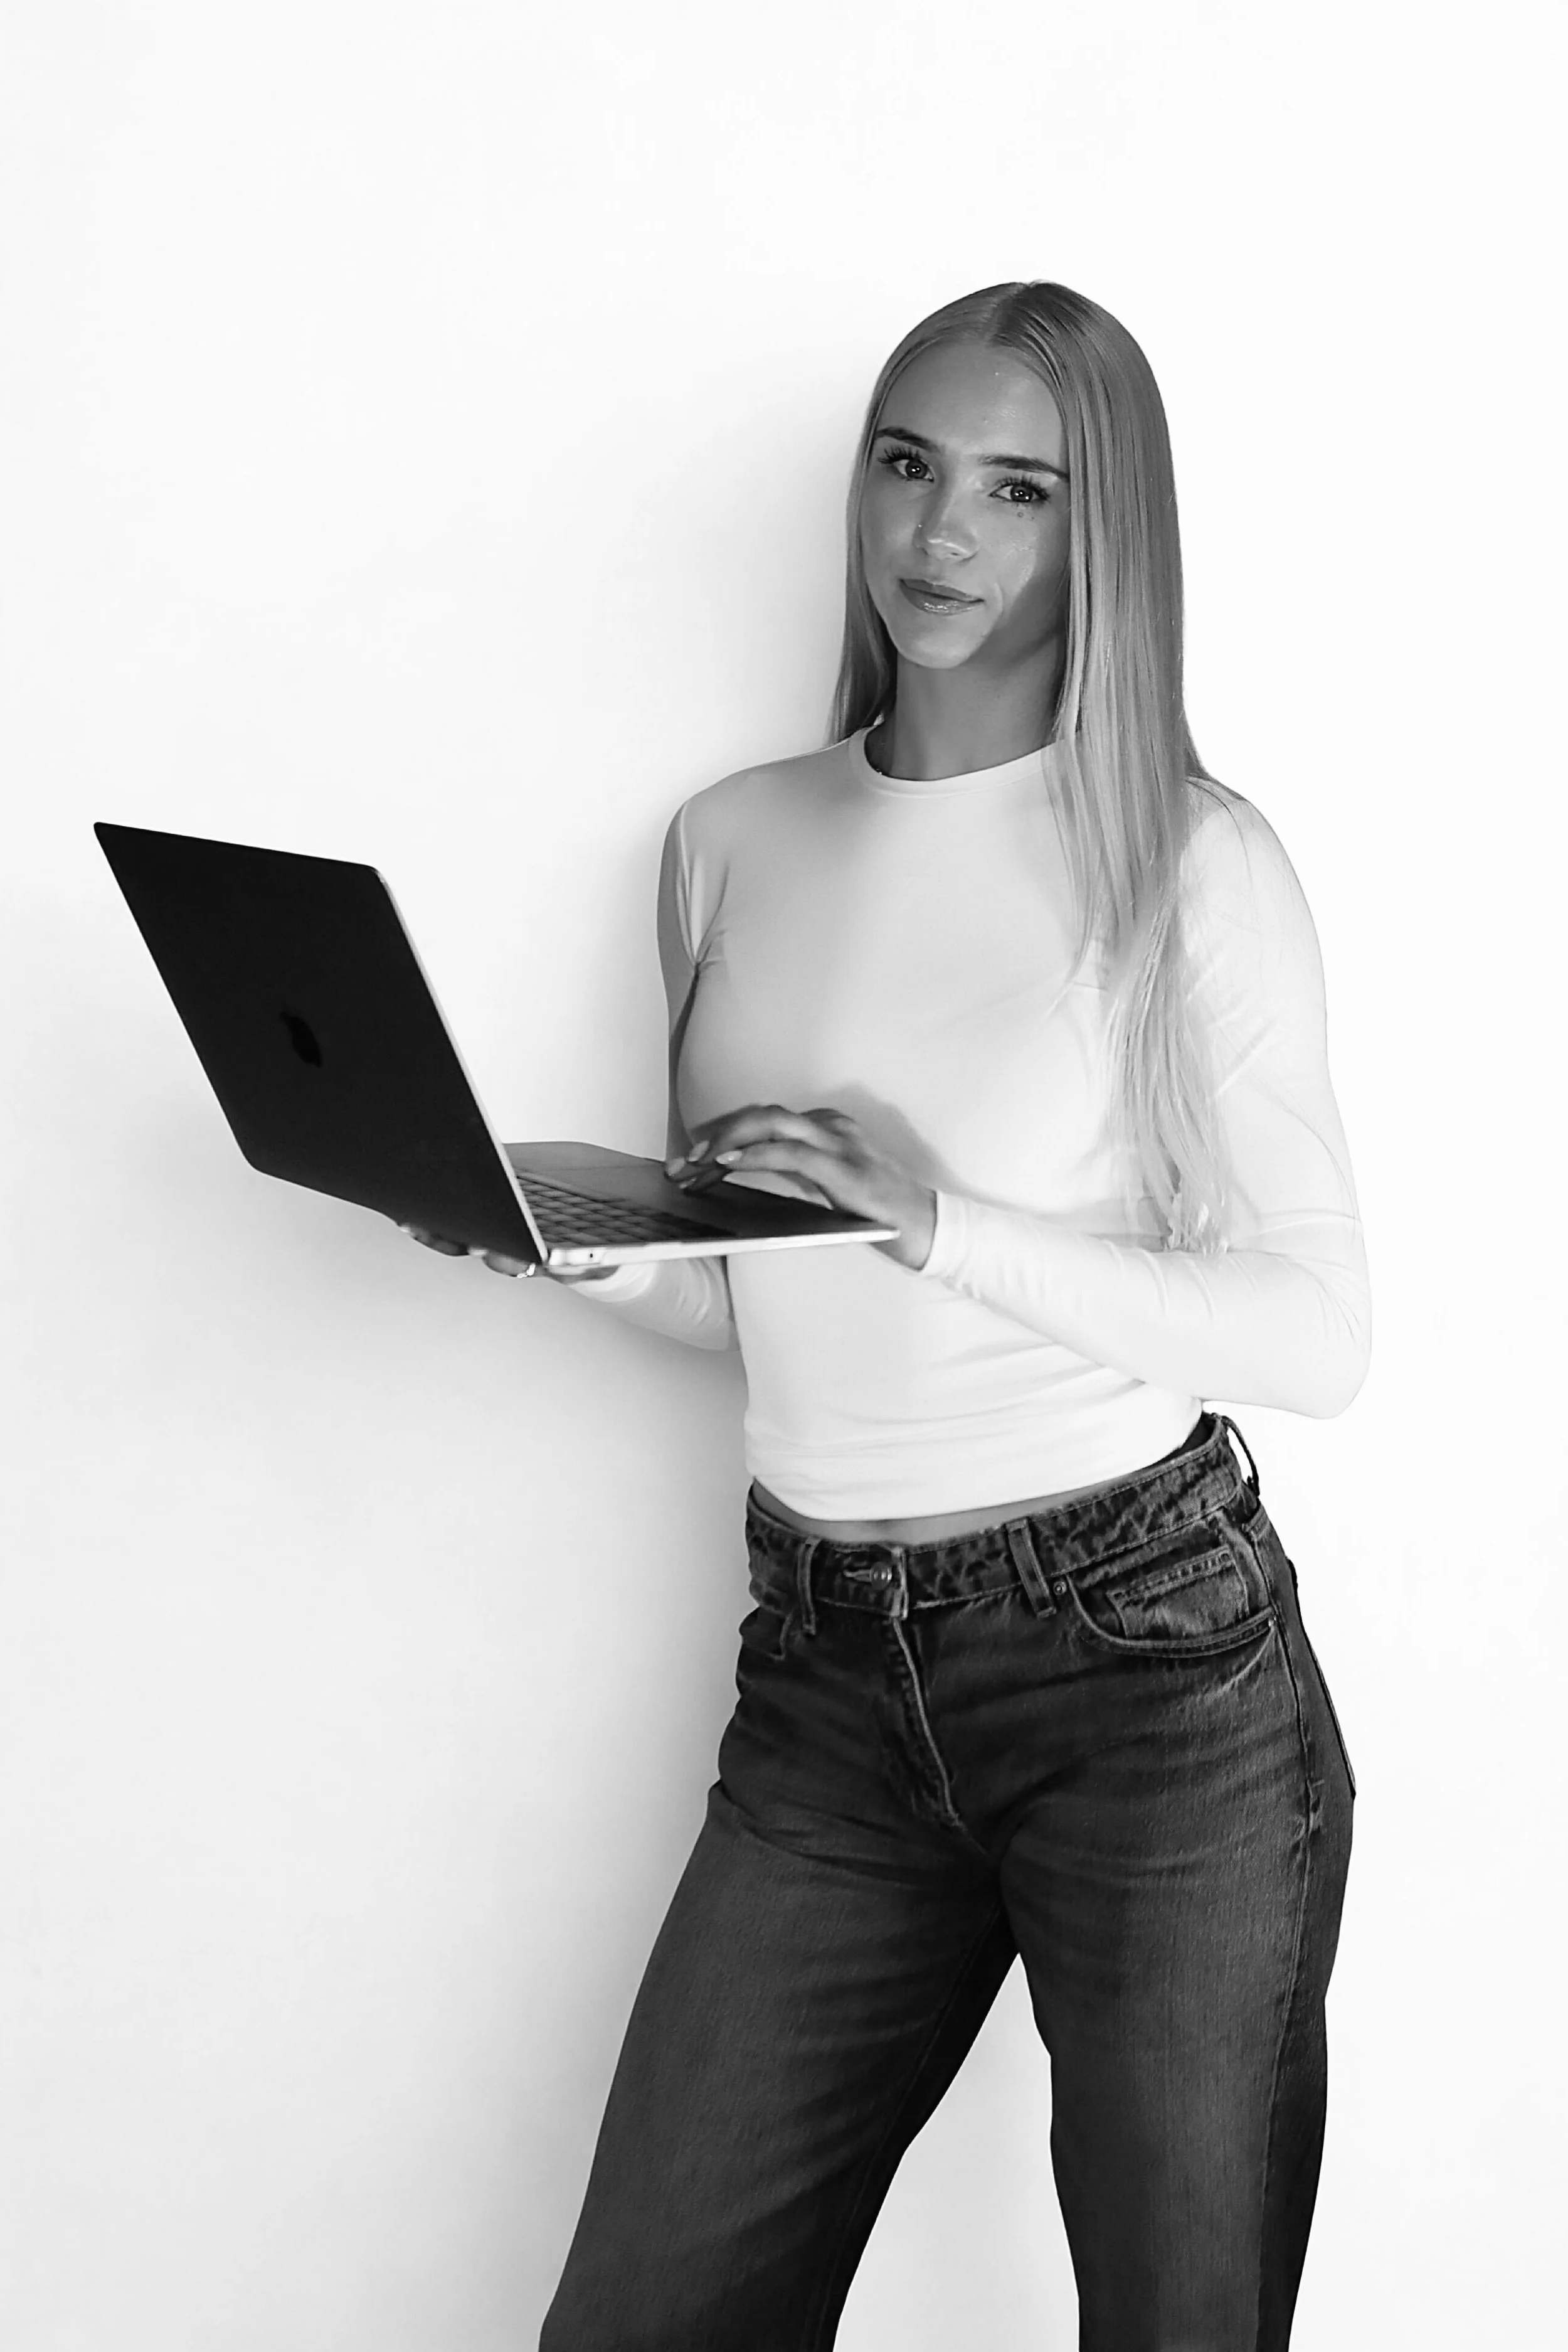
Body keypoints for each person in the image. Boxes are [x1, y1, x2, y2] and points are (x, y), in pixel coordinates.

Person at [411, 279, 1370, 2350]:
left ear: (1106, 533)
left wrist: (942, 1221)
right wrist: (591, 1254)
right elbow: (773, 1306)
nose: (939, 533)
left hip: (1148, 1676)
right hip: (827, 1679)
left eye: (1019, 489)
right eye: (908, 463)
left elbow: (1317, 1334)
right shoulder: (731, 839)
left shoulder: (1189, 861)